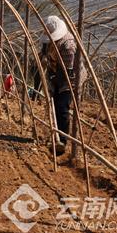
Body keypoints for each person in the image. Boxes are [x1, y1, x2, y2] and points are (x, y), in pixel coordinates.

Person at [39, 16, 86, 156]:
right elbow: (43, 52)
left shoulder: (68, 45)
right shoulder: (48, 42)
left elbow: (67, 71)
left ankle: (63, 141)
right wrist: (43, 58)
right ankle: (55, 136)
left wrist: (54, 82)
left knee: (62, 107)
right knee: (53, 106)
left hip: (69, 79)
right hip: (55, 75)